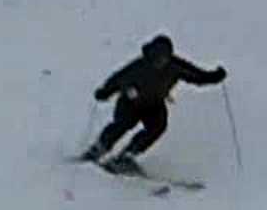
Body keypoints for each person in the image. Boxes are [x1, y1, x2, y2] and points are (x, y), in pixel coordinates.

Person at [81, 34, 227, 173]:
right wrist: (105, 92)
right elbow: (118, 78)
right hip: (130, 103)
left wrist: (214, 77)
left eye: (164, 58)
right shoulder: (139, 65)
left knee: (158, 127)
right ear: (152, 55)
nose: (161, 62)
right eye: (158, 58)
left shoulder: (175, 66)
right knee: (123, 124)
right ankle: (99, 149)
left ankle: (127, 156)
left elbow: (197, 76)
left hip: (154, 105)